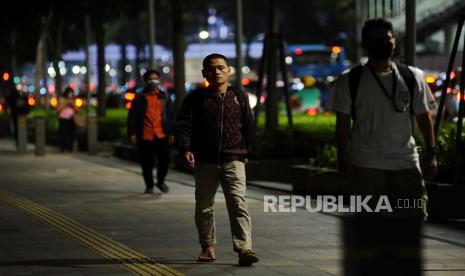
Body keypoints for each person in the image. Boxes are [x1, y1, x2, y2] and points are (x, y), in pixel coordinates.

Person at [329, 18, 437, 220]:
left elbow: (423, 116)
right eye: (375, 39)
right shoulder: (350, 80)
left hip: (406, 164)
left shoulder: (412, 77)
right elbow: (342, 124)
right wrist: (343, 159)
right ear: (365, 45)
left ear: (395, 42)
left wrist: (431, 152)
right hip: (366, 165)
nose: (382, 43)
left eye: (386, 38)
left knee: (413, 220)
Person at [175, 53, 259, 266]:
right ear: (204, 73)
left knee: (238, 203)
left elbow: (248, 125)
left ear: (229, 70)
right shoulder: (195, 98)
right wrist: (185, 148)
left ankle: (244, 248)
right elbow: (184, 125)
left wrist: (246, 152)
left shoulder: (239, 95)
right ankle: (207, 245)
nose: (217, 72)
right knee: (204, 206)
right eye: (211, 69)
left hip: (234, 158)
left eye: (221, 67)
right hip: (205, 160)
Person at [127, 69, 175, 194]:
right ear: (146, 81)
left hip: (162, 134)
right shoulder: (139, 98)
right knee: (147, 162)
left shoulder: (165, 97)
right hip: (145, 134)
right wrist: (132, 133)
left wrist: (172, 133)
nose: (153, 81)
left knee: (165, 160)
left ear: (159, 80)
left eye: (155, 78)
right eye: (150, 79)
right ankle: (149, 185)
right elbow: (132, 116)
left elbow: (171, 116)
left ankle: (160, 182)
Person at [57, 87, 76, 153]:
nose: (71, 94)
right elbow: (58, 109)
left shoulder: (72, 100)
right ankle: (64, 148)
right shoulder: (62, 99)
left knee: (71, 134)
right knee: (64, 134)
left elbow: (76, 109)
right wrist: (66, 103)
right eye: (70, 93)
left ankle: (70, 148)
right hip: (63, 118)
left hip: (71, 118)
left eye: (72, 93)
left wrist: (72, 105)